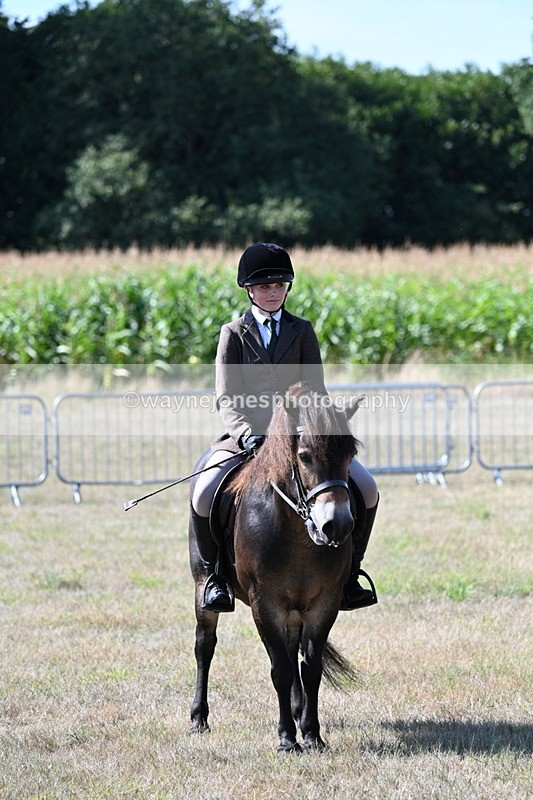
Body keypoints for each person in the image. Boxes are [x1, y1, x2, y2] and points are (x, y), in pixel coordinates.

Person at [191, 242, 379, 612]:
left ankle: (350, 574)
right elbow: (226, 396)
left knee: (367, 489)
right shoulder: (233, 333)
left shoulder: (302, 331)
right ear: (249, 290)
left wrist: (323, 427)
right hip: (247, 437)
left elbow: (317, 390)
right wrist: (247, 433)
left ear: (287, 288)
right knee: (204, 491)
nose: (273, 293)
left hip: (300, 439)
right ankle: (215, 577)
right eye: (264, 287)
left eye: (279, 286)